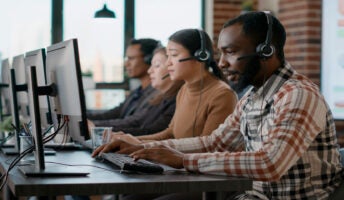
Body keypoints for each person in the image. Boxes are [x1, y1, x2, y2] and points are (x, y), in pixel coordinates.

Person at [93, 11, 343, 200]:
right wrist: (144, 146)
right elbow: (214, 142)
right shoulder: (252, 96)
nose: (221, 63)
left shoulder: (298, 95)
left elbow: (269, 164)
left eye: (230, 52)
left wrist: (183, 161)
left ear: (266, 51)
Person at [108, 29, 237, 144]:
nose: (168, 62)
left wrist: (140, 145)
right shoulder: (184, 90)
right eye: (168, 56)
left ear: (200, 56)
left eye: (174, 55)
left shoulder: (222, 95)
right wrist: (129, 140)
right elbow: (170, 133)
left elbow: (206, 147)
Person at [91, 47, 184, 136]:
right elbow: (139, 123)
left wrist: (98, 129)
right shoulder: (158, 98)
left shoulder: (176, 100)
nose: (150, 71)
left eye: (157, 65)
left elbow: (149, 130)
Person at [87, 38, 160, 121]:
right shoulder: (137, 92)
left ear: (149, 59)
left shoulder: (157, 95)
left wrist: (93, 126)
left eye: (131, 58)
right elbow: (113, 114)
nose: (126, 64)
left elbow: (135, 124)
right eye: (127, 59)